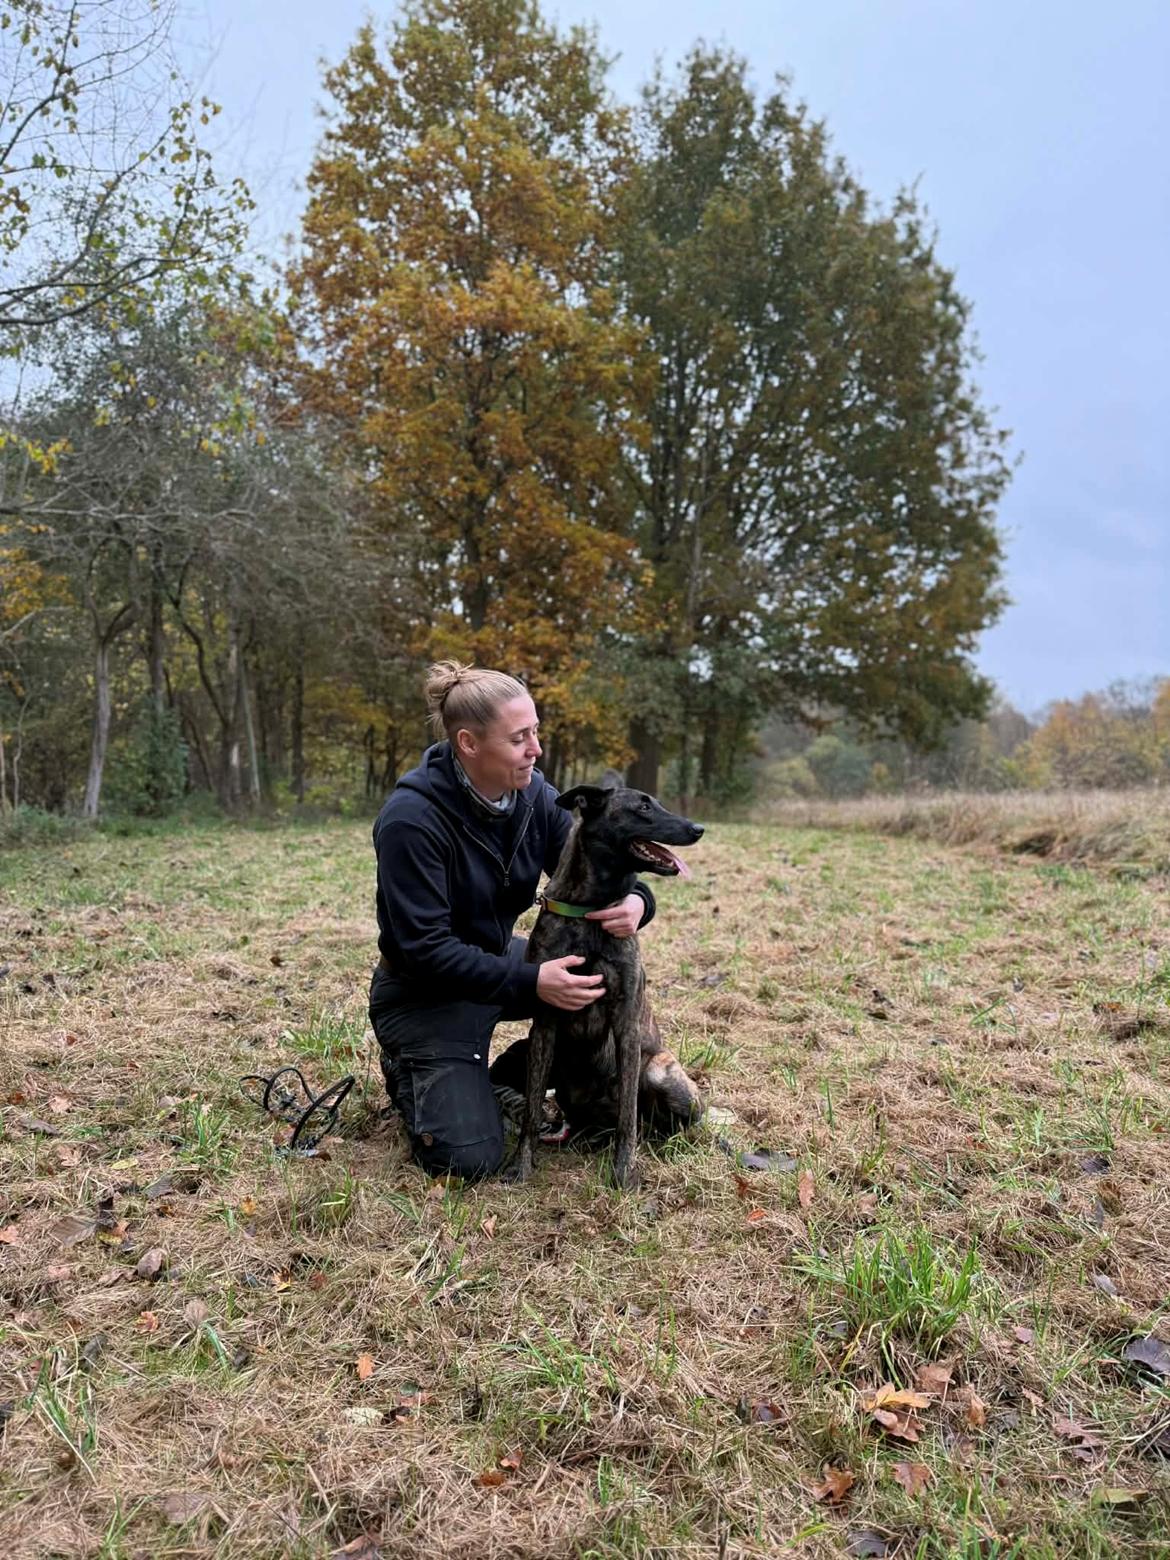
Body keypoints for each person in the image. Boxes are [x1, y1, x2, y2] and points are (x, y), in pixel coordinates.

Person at [368, 661, 657, 1180]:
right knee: (469, 1159)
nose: (536, 749)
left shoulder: (533, 798)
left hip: (498, 964)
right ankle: (414, 1071)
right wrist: (533, 981)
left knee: (597, 978)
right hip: (423, 993)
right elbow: (425, 949)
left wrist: (638, 901)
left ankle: (541, 1079)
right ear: (469, 744)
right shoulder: (410, 821)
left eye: (536, 732)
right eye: (519, 738)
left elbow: (584, 875)